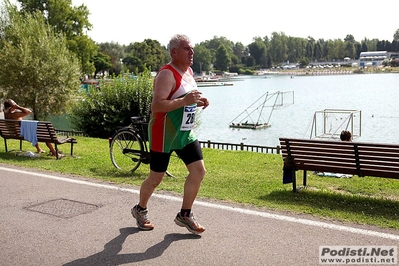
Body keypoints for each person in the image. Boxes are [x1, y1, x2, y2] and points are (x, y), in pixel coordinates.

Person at [131, 34, 209, 235]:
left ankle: (185, 214)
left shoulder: (188, 71)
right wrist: (185, 101)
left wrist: (198, 101)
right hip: (163, 133)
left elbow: (185, 97)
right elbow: (157, 106)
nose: (191, 52)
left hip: (184, 132)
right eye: (186, 49)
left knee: (199, 171)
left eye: (192, 48)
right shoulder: (166, 74)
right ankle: (140, 209)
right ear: (174, 52)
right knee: (156, 178)